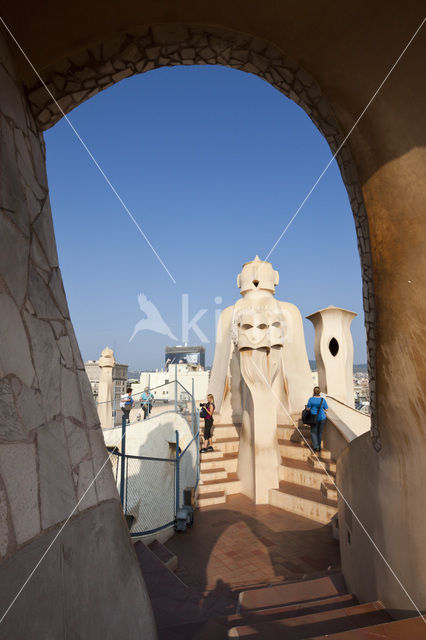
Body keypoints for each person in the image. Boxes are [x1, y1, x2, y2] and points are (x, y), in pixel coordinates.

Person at [306, 386, 328, 452]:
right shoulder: (323, 400)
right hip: (322, 418)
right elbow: (326, 409)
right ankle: (319, 446)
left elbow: (308, 408)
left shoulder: (311, 399)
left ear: (314, 392)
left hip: (313, 418)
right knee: (320, 432)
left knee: (313, 432)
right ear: (319, 392)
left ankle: (315, 447)